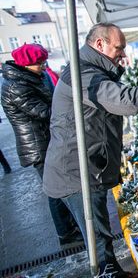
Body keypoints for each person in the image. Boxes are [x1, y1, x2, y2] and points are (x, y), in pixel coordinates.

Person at [42, 23, 138, 277]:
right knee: (98, 241)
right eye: (118, 48)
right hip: (77, 173)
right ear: (100, 44)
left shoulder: (89, 68)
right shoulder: (83, 75)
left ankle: (115, 272)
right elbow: (127, 101)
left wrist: (116, 66)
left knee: (101, 238)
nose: (123, 54)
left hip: (85, 167)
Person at [1, 44, 81, 245]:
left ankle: (69, 227)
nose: (44, 67)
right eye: (40, 63)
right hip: (38, 145)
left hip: (45, 140)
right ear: (26, 64)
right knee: (55, 190)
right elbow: (44, 111)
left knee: (57, 187)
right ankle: (65, 232)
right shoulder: (16, 86)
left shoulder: (28, 78)